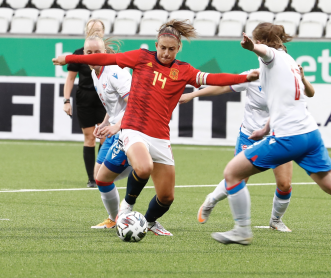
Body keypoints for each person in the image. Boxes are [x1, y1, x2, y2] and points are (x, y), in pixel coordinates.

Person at [53, 19, 259, 236]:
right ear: (156, 45)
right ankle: (126, 209)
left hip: (160, 136)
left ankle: (148, 222)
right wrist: (69, 58)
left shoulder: (184, 70)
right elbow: (107, 58)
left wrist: (244, 77)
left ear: (178, 48)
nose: (166, 53)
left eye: (171, 49)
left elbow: (212, 78)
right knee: (143, 168)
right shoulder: (142, 58)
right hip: (133, 128)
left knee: (167, 197)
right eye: (162, 48)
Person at [211, 23, 331, 255]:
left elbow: (266, 53)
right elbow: (285, 102)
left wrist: (251, 47)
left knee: (233, 173)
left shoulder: (272, 57)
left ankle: (242, 230)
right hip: (310, 134)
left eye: (259, 41)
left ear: (264, 41)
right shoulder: (291, 62)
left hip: (288, 137)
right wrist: (266, 127)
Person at [179, 65, 314, 232]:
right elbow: (222, 88)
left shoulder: (288, 80)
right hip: (250, 136)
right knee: (239, 179)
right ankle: (211, 200)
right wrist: (193, 94)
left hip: (278, 136)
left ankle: (275, 220)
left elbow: (310, 93)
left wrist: (302, 78)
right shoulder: (253, 76)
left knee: (285, 184)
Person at [73, 35, 132, 229]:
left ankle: (122, 214)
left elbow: (134, 104)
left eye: (97, 52)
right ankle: (115, 219)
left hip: (128, 129)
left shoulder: (116, 72)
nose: (93, 56)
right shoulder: (94, 74)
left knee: (105, 176)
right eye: (89, 53)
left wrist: (117, 126)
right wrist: (105, 123)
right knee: (98, 175)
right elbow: (113, 106)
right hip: (114, 128)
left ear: (104, 53)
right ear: (84, 55)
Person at [63, 19, 107, 188]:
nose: (95, 33)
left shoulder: (109, 54)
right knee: (89, 138)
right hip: (85, 98)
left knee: (105, 137)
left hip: (104, 98)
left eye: (98, 30)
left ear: (103, 33)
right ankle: (91, 179)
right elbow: (71, 78)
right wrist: (66, 100)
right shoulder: (78, 53)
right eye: (91, 31)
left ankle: (102, 175)